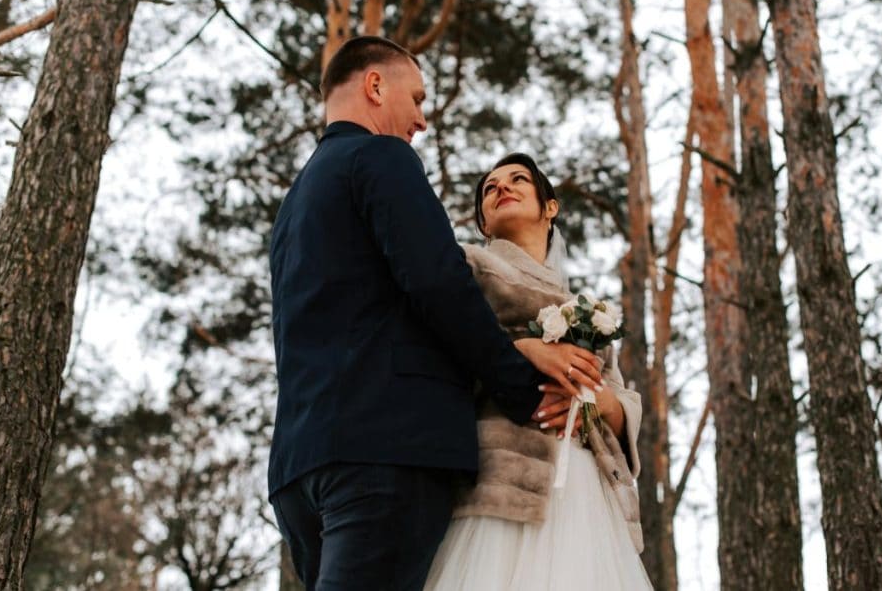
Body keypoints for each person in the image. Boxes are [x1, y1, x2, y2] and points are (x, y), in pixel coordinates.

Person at [267, 38, 603, 590]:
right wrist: (520, 382)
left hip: (298, 468)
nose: (421, 120)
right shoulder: (380, 156)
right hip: (384, 452)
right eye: (417, 99)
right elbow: (436, 280)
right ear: (376, 86)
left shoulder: (295, 203)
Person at [424, 153, 653, 590]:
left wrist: (599, 400)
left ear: (550, 207)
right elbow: (445, 353)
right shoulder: (465, 269)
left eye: (517, 180)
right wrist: (522, 348)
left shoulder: (585, 310)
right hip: (503, 481)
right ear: (484, 224)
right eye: (490, 188)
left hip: (585, 487)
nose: (501, 188)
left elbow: (620, 401)